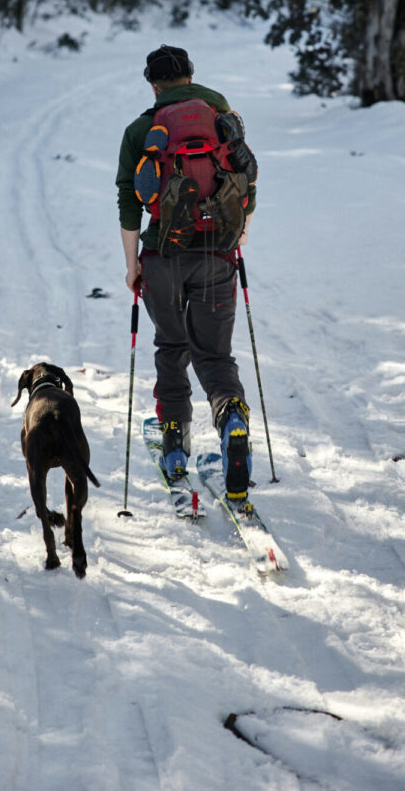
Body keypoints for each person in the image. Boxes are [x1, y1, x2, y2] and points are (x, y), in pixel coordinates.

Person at [116, 44, 256, 500]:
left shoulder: (142, 129)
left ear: (153, 84)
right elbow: (247, 180)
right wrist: (239, 234)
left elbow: (128, 201)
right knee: (215, 356)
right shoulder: (221, 117)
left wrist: (132, 264)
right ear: (191, 75)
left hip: (163, 258)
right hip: (218, 253)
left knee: (172, 345)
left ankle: (174, 445)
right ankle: (232, 418)